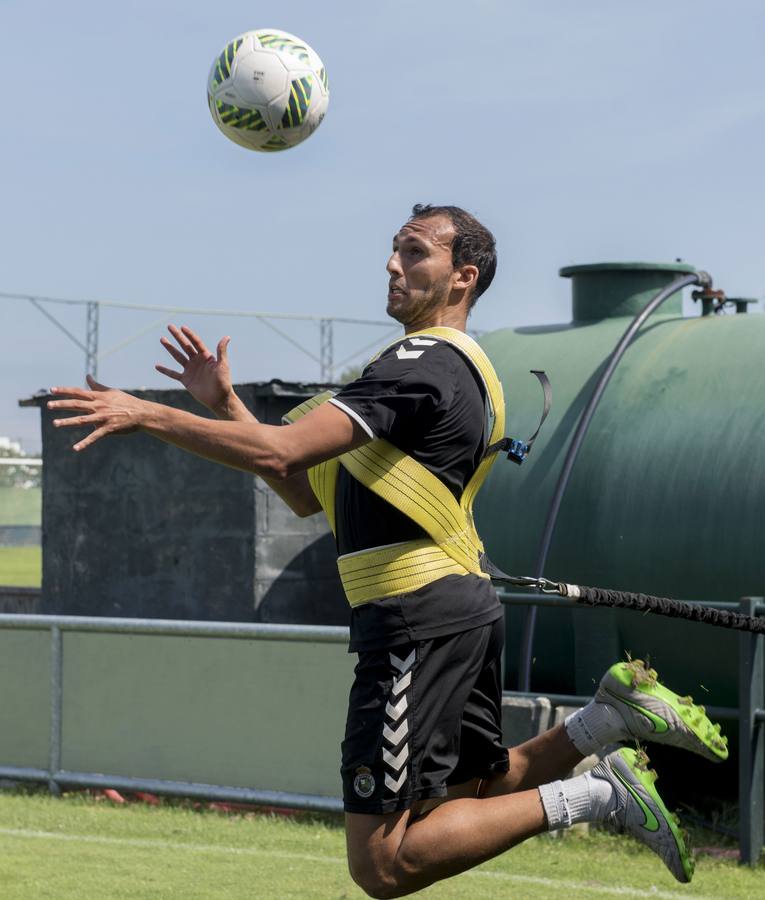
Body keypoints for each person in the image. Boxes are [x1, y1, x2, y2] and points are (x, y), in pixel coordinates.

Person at [49, 204, 727, 896]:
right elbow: (299, 486)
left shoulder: (419, 362)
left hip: (413, 615)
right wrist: (224, 404)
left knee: (381, 863)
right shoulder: (446, 368)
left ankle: (601, 796)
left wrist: (147, 412)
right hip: (451, 608)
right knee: (463, 798)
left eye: (412, 252)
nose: (391, 264)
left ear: (462, 277)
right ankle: (605, 721)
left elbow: (281, 449)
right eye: (393, 251)